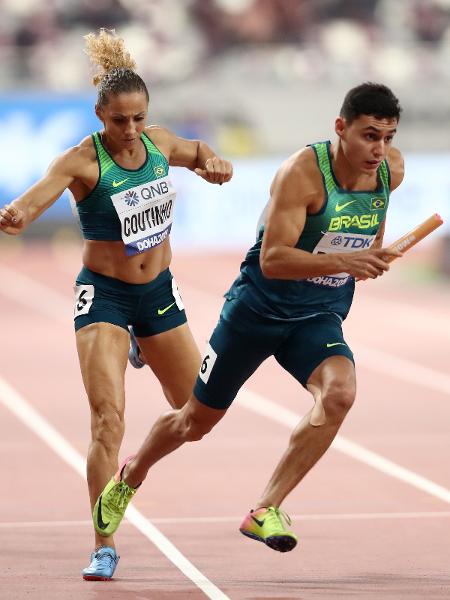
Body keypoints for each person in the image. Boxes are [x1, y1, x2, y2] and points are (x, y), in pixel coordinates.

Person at [92, 82, 404, 555]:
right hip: (255, 312)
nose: (378, 149)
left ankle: (265, 508)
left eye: (387, 137)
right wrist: (346, 263)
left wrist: (369, 257)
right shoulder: (302, 174)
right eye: (368, 136)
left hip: (316, 317)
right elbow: (273, 260)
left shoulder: (388, 172)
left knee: (339, 394)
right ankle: (130, 475)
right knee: (194, 422)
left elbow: (369, 231)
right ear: (341, 128)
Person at [0, 29, 232, 580]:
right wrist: (14, 216)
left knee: (196, 413)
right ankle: (104, 543)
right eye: (118, 121)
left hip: (158, 294)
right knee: (108, 420)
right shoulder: (81, 161)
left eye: (137, 119)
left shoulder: (159, 143)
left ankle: (136, 439)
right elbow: (35, 198)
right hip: (103, 295)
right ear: (100, 113)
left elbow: (196, 151)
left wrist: (213, 160)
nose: (129, 131)